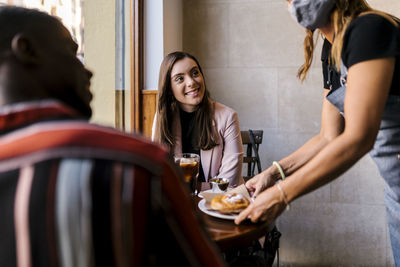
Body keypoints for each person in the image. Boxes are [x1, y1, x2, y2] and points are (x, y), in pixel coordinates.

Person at [0, 6, 226, 267]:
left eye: (195, 73)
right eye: (73, 53)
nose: (89, 71)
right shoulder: (137, 165)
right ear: (26, 49)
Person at [235, 0, 400, 265]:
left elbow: (359, 137)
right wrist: (272, 174)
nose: (290, 3)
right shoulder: (332, 49)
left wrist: (281, 195)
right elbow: (328, 137)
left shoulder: (370, 30)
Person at [152, 51, 244, 187]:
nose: (191, 82)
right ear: (169, 88)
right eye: (180, 79)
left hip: (218, 202)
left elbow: (229, 182)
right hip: (178, 202)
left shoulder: (228, 116)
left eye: (195, 73)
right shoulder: (163, 118)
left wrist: (192, 189)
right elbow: (158, 173)